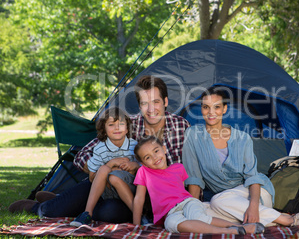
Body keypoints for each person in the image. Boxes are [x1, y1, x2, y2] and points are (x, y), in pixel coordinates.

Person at [9, 75, 190, 223]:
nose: (151, 109)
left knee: (107, 213)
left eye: (156, 102)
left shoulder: (180, 126)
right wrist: (103, 167)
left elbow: (180, 170)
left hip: (153, 198)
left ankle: (63, 201)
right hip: (117, 187)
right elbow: (82, 155)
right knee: (97, 183)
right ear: (139, 105)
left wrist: (138, 167)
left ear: (165, 102)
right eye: (144, 103)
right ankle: (39, 208)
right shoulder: (128, 125)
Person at [182, 86, 299, 227]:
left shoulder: (242, 138)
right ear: (201, 109)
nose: (211, 112)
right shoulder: (193, 135)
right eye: (206, 107)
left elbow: (252, 177)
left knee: (217, 202)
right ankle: (269, 219)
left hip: (254, 194)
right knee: (201, 212)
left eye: (217, 107)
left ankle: (287, 220)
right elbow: (194, 177)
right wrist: (194, 208)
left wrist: (253, 206)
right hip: (227, 203)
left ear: (224, 109)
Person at [132, 136, 264, 234]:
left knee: (198, 216)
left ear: (164, 149)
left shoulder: (178, 167)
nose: (155, 158)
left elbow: (181, 189)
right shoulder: (144, 172)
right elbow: (139, 199)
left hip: (188, 202)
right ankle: (230, 231)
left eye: (156, 151)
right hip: (169, 212)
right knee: (171, 225)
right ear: (143, 163)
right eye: (147, 157)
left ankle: (236, 226)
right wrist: (136, 226)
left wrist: (191, 203)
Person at [70, 107, 139, 227]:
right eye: (112, 124)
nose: (117, 128)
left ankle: (139, 215)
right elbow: (92, 178)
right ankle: (87, 214)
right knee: (105, 170)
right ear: (104, 129)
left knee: (114, 176)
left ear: (127, 128)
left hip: (129, 188)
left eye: (121, 124)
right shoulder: (100, 148)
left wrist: (135, 164)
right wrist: (111, 164)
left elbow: (144, 168)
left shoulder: (134, 146)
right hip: (107, 191)